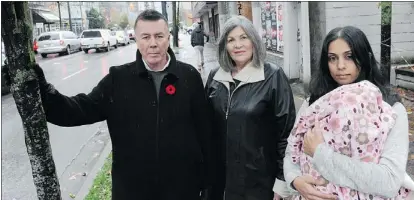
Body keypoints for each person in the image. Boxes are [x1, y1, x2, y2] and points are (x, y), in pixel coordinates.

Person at [31, 10, 213, 200]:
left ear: (168, 37)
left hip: (183, 189)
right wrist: (43, 91)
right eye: (146, 37)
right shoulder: (118, 79)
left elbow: (204, 132)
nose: (153, 43)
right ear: (136, 39)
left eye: (159, 36)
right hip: (133, 191)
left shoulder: (189, 76)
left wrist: (208, 184)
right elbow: (78, 110)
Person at [280, 26, 414, 200]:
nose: (340, 66)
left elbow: (389, 181)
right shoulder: (315, 102)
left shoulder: (390, 109)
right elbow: (291, 152)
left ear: (364, 57)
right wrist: (295, 181)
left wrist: (319, 153)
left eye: (349, 57)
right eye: (332, 58)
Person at [205, 16, 296, 200]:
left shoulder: (272, 76)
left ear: (254, 41)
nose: (237, 45)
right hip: (220, 180)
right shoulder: (216, 76)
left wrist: (281, 181)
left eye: (243, 37)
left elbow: (287, 133)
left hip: (259, 182)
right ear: (224, 46)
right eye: (231, 40)